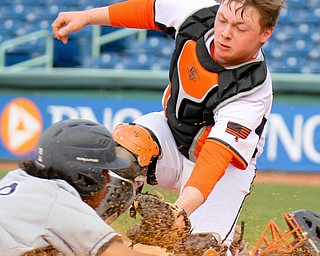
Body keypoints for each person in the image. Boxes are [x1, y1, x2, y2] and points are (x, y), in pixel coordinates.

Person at [52, 0, 286, 254]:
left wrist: (179, 211)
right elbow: (149, 10)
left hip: (222, 174)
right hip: (171, 137)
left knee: (200, 249)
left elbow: (214, 158)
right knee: (129, 147)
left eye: (240, 28)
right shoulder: (197, 16)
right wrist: (87, 17)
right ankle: (74, 240)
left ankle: (231, 246)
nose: (226, 33)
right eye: (222, 20)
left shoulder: (252, 90)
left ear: (265, 33)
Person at [0, 119, 157, 256]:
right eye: (104, 172)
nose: (108, 179)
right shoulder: (59, 203)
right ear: (85, 178)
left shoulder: (17, 178)